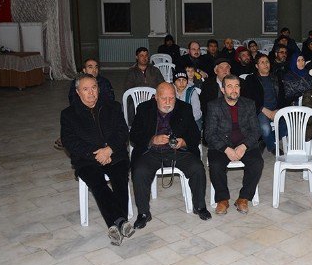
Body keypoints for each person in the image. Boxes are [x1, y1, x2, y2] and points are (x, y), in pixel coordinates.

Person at [61, 73, 134, 245]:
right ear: (78, 92)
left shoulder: (113, 107)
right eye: (85, 89)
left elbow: (122, 132)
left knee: (120, 178)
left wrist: (108, 150)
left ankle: (116, 225)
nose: (91, 92)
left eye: (94, 88)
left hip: (114, 154)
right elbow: (70, 142)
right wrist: (97, 154)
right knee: (97, 183)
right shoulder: (68, 114)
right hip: (86, 159)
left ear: (98, 89)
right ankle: (121, 222)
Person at [130, 82, 210, 229]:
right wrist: (152, 140)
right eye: (163, 98)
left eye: (171, 98)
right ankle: (143, 213)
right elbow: (134, 135)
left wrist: (184, 142)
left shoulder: (185, 108)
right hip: (151, 152)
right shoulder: (144, 109)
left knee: (197, 168)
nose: (167, 102)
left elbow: (195, 134)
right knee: (140, 171)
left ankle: (199, 206)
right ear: (155, 98)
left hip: (177, 151)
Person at [205, 75, 264, 215]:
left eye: (237, 86)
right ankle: (222, 199)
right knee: (215, 164)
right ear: (223, 89)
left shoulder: (248, 104)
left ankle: (243, 198)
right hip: (222, 145)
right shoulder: (213, 106)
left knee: (257, 163)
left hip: (244, 143)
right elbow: (209, 134)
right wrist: (226, 149)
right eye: (230, 86)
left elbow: (256, 131)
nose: (234, 90)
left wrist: (244, 146)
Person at [56, 58, 117, 150]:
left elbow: (110, 100)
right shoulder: (77, 83)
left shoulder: (104, 82)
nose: (94, 70)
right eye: (90, 67)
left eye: (96, 67)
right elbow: (73, 101)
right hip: (84, 112)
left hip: (101, 112)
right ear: (84, 70)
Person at [242, 54, 286, 153]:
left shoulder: (276, 78)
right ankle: (272, 147)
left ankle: (264, 140)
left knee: (289, 125)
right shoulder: (251, 79)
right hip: (260, 110)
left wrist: (277, 110)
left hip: (276, 109)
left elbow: (283, 96)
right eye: (262, 62)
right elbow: (249, 99)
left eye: (267, 62)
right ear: (257, 66)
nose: (266, 64)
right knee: (265, 128)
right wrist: (264, 110)